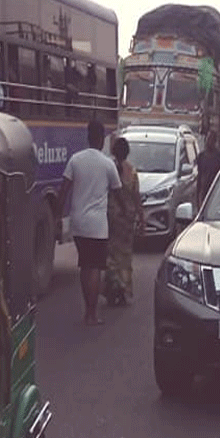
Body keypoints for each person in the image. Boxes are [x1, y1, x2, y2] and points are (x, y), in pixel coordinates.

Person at [57, 120, 122, 325]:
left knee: (85, 266)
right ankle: (92, 314)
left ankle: (88, 312)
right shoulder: (107, 164)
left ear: (87, 137)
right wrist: (125, 213)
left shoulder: (75, 160)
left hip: (78, 223)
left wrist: (58, 215)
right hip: (97, 226)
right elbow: (118, 193)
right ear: (101, 139)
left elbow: (64, 190)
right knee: (95, 269)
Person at [104, 137, 143, 306]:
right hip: (127, 220)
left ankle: (111, 288)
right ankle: (123, 289)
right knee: (125, 257)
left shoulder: (109, 169)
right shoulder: (132, 172)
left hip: (112, 218)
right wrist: (142, 218)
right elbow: (136, 197)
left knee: (111, 255)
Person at [195, 130, 220, 204]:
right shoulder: (201, 156)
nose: (208, 142)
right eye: (208, 139)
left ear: (214, 141)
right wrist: (198, 194)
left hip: (215, 190)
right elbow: (199, 176)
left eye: (211, 139)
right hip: (204, 190)